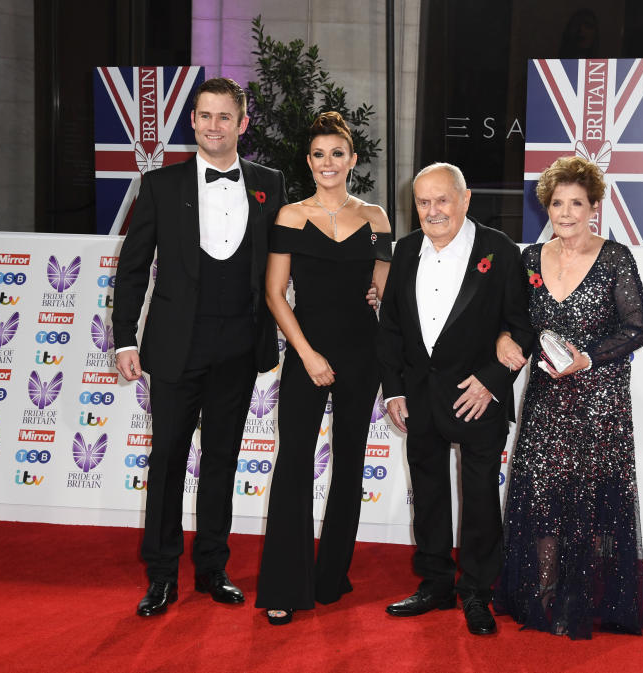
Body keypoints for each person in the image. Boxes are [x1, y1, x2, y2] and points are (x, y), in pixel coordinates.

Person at [112, 77, 287, 617]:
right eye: (205, 116)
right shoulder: (159, 185)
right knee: (165, 459)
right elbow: (133, 267)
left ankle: (212, 566)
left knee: (221, 462)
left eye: (224, 117)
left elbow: (289, 259)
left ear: (243, 124)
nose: (214, 126)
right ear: (193, 121)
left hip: (239, 344)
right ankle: (162, 574)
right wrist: (124, 338)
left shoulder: (270, 184)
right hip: (173, 347)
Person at [493, 155, 643, 639]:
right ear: (547, 207)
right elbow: (515, 319)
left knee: (588, 499)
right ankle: (544, 590)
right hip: (546, 400)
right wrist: (503, 335)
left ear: (593, 206)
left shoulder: (615, 257)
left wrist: (588, 358)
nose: (565, 213)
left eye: (575, 203)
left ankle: (581, 597)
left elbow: (639, 327)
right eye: (557, 203)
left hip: (598, 399)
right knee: (543, 496)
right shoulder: (528, 261)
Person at [377, 163, 532, 636]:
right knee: (427, 492)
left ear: (465, 200)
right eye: (423, 202)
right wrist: (395, 390)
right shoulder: (404, 251)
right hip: (419, 396)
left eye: (442, 199)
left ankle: (478, 593)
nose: (432, 210)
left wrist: (490, 381)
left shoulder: (500, 250)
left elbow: (522, 327)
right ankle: (436, 583)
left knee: (481, 496)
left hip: (478, 396)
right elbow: (391, 328)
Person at [255, 112, 392, 625]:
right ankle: (286, 586)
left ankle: (332, 575)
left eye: (338, 153)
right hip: (305, 351)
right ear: (308, 161)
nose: (328, 162)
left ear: (353, 160)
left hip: (363, 352)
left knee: (350, 463)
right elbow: (274, 293)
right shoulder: (290, 216)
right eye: (319, 154)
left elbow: (382, 286)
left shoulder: (376, 217)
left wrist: (380, 291)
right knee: (293, 463)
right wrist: (307, 354)